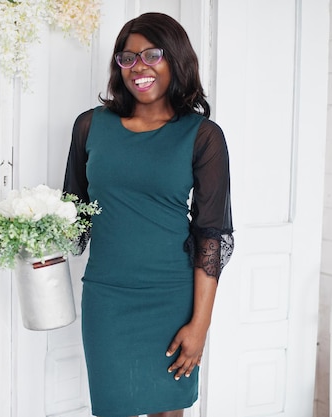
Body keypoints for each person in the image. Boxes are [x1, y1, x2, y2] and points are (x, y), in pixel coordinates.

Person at [63, 12, 234, 417]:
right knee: (112, 408)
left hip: (171, 298)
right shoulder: (89, 126)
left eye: (151, 54)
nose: (138, 66)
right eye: (127, 58)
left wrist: (200, 325)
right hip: (107, 297)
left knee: (167, 412)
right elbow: (71, 216)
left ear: (176, 59)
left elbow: (210, 235)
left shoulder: (202, 135)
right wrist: (25, 230)